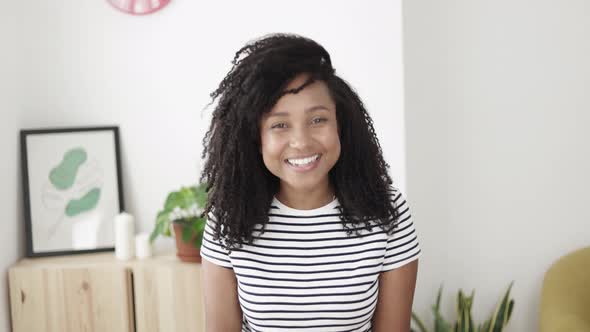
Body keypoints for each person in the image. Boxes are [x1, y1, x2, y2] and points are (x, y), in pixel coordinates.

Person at [199, 33, 422, 332]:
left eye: (318, 120)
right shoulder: (229, 218)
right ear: (255, 137)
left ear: (341, 123)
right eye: (280, 125)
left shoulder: (388, 211)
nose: (301, 142)